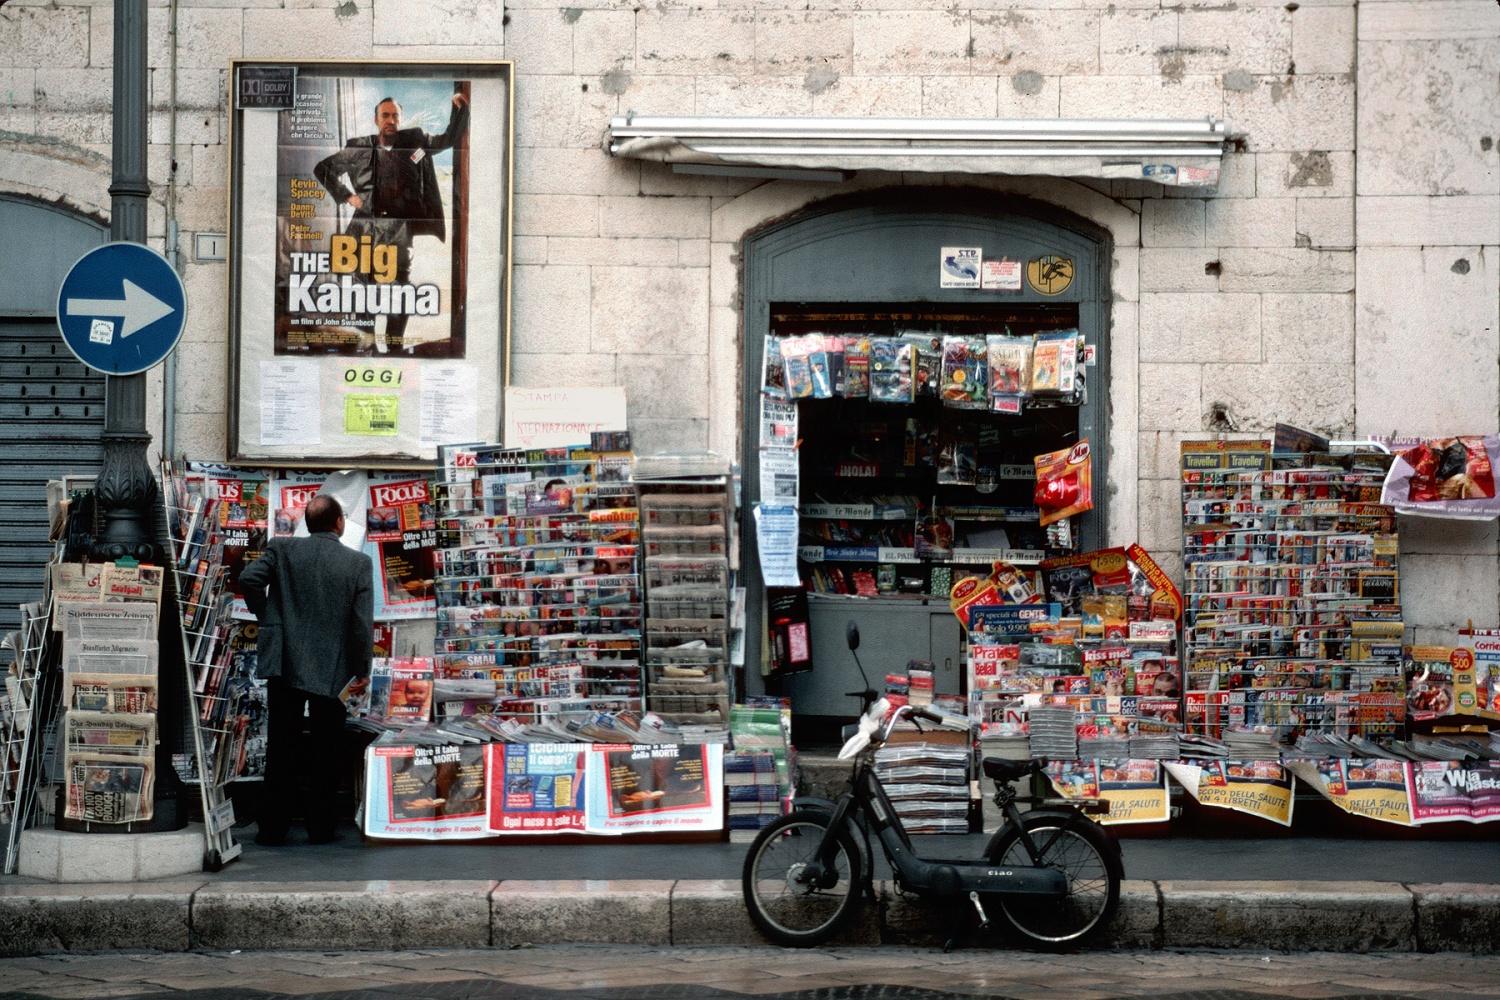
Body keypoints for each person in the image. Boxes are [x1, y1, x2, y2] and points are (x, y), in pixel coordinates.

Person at [240, 495, 373, 845]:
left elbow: (249, 578)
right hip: (333, 667)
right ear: (339, 523)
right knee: (326, 750)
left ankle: (272, 829)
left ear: (308, 523)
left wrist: (268, 617)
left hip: (284, 663)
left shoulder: (283, 551)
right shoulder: (357, 563)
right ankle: (321, 828)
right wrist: (362, 669)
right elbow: (361, 625)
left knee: (282, 746)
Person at [313, 91, 469, 355]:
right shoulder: (359, 147)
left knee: (401, 291)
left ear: (401, 119)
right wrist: (347, 196)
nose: (391, 120)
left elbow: (449, 139)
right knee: (365, 291)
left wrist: (459, 109)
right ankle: (368, 345)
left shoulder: (415, 141)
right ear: (376, 120)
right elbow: (323, 168)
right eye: (385, 115)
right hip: (364, 232)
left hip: (399, 232)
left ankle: (394, 346)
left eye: (395, 115)